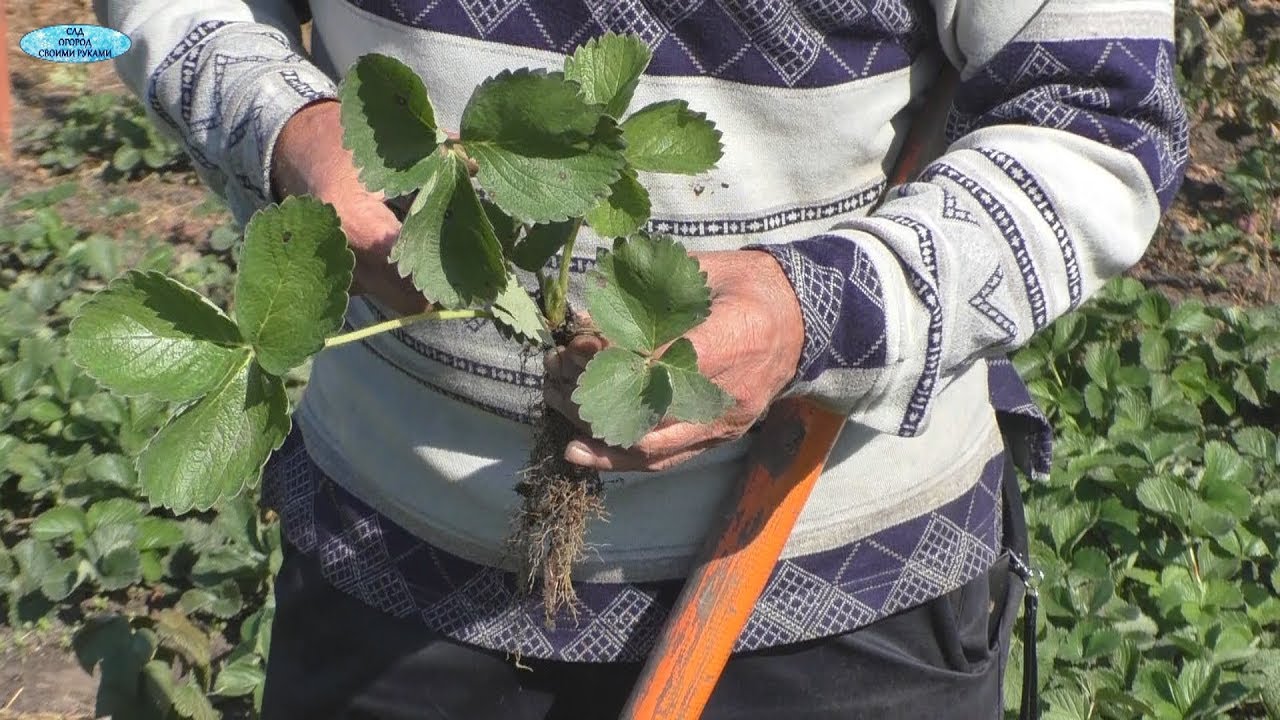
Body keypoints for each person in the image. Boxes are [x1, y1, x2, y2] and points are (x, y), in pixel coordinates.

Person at [98, 0, 1188, 717]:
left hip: (842, 578)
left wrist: (814, 309)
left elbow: (1096, 115)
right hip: (390, 552)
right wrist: (286, 125)